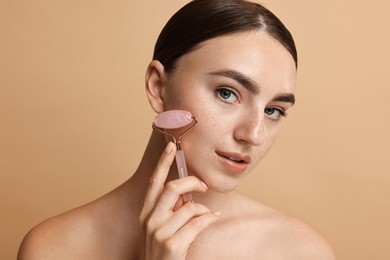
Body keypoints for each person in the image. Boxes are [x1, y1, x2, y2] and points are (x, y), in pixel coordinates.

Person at [18, 0, 335, 259]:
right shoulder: (54, 248)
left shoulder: (298, 250)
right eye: (227, 93)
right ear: (157, 86)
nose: (253, 135)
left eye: (273, 110)